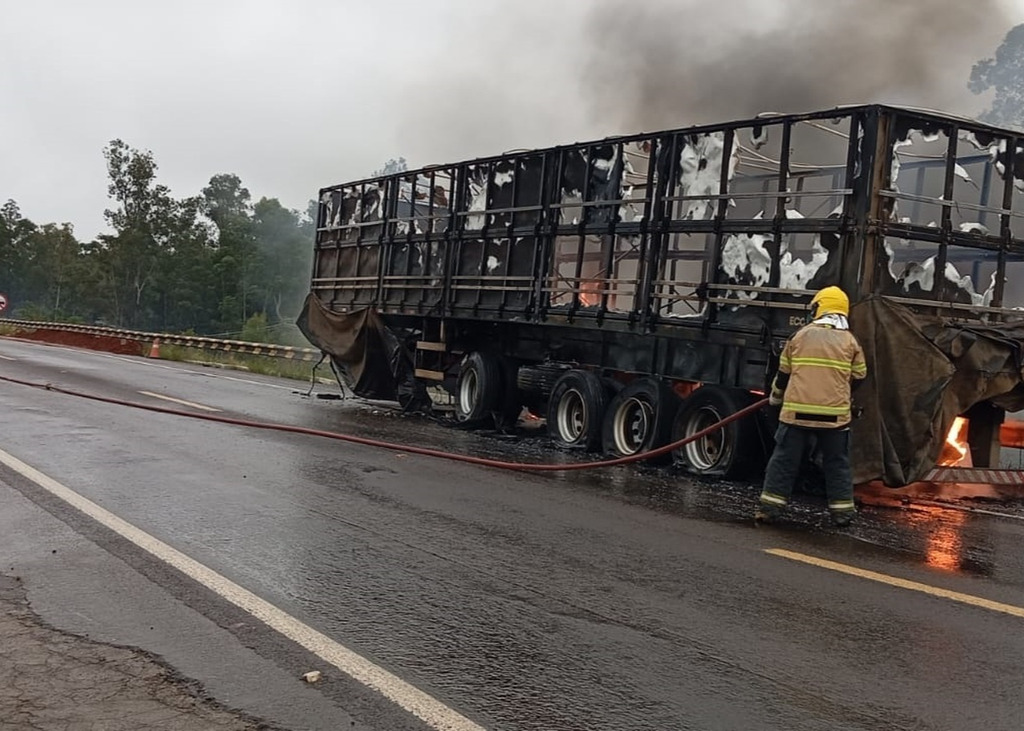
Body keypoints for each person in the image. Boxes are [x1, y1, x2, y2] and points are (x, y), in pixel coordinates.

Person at [755, 286, 867, 527]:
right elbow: (860, 376)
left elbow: (783, 375)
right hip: (835, 418)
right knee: (837, 464)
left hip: (796, 415)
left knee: (784, 461)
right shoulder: (850, 341)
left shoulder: (800, 336)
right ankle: (843, 514)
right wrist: (841, 394)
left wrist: (775, 399)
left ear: (819, 308)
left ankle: (769, 510)